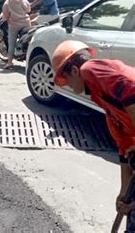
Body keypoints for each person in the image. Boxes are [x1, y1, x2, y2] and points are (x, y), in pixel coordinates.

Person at [51, 40, 135, 230]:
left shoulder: (90, 69)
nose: (69, 87)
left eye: (67, 81)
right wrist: (123, 193)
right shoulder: (102, 97)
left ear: (74, 70)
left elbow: (132, 90)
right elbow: (124, 146)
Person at [0, 0, 30, 69]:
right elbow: (28, 10)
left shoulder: (8, 2)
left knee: (11, 43)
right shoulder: (24, 1)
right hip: (26, 23)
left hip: (14, 25)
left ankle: (9, 62)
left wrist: (3, 19)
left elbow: (5, 16)